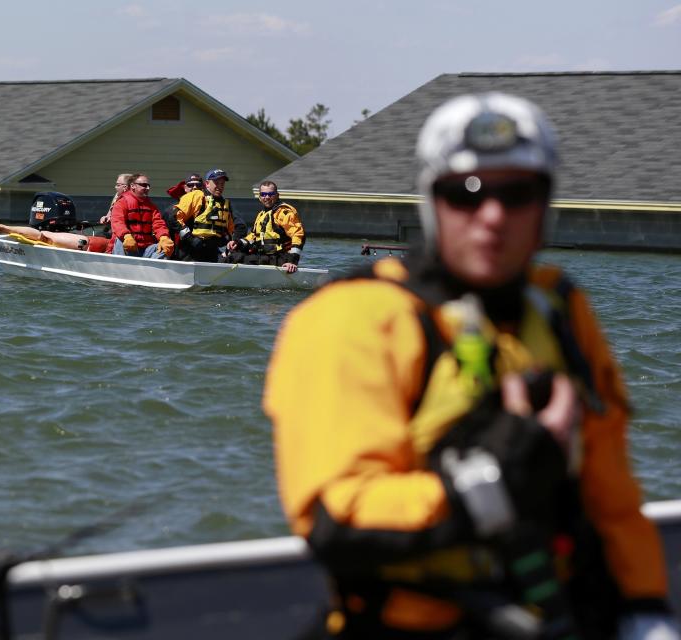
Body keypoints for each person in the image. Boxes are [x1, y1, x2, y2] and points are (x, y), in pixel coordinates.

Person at [264, 93, 679, 639]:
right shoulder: (354, 319)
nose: (492, 217)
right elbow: (337, 519)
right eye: (465, 194)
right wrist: (497, 478)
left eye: (519, 195)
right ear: (430, 201)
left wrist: (645, 607)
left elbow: (613, 501)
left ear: (545, 204)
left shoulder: (559, 310)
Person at [225, 180, 305, 273]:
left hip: (280, 258)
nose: (267, 197)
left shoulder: (284, 212)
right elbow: (253, 236)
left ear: (277, 195)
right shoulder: (262, 214)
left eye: (270, 194)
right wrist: (237, 243)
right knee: (233, 252)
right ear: (260, 197)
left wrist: (292, 261)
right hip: (264, 256)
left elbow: (298, 235)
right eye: (263, 194)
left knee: (236, 258)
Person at [174, 168, 236, 262]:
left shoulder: (225, 204)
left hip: (212, 252)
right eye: (216, 183)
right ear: (207, 184)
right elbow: (174, 217)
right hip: (191, 252)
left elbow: (231, 229)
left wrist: (229, 241)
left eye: (222, 183)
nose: (219, 186)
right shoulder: (197, 196)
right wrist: (190, 239)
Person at [109, 173, 173, 259]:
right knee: (120, 240)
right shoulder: (122, 202)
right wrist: (126, 236)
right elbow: (117, 222)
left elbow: (159, 224)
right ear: (133, 186)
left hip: (146, 249)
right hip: (128, 247)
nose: (147, 188)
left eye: (148, 186)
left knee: (165, 247)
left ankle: (150, 270)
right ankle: (121, 268)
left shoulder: (151, 206)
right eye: (144, 185)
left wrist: (164, 237)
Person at [0, 220, 109, 253]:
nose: (116, 186)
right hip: (92, 243)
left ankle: (3, 228)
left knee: (45, 236)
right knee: (44, 237)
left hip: (96, 243)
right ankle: (2, 228)